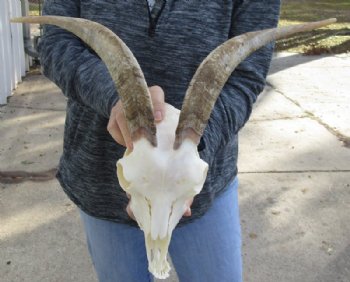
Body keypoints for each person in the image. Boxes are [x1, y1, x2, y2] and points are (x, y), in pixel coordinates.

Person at [39, 0, 280, 281]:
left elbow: (246, 75)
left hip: (205, 183)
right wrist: (119, 99)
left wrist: (193, 149)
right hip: (101, 182)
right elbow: (56, 43)